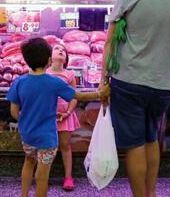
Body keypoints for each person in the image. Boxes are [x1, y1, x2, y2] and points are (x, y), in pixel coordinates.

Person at [100, 0, 170, 197]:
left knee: (134, 144)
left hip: (130, 80)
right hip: (163, 84)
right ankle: (151, 193)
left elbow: (110, 40)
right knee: (151, 137)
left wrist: (104, 79)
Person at [7, 37, 110, 197]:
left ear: (26, 60)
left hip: (27, 135)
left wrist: (27, 120)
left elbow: (14, 112)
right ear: (49, 60)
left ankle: (24, 195)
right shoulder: (54, 82)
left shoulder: (18, 82)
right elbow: (79, 96)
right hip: (47, 137)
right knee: (42, 176)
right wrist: (100, 93)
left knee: (28, 162)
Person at [46, 44, 80, 191]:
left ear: (66, 58)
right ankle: (43, 176)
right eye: (56, 49)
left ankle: (68, 177)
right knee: (47, 147)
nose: (60, 51)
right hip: (48, 116)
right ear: (49, 57)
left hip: (66, 115)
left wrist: (68, 112)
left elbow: (74, 96)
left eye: (63, 50)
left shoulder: (70, 75)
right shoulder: (45, 74)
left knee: (65, 146)